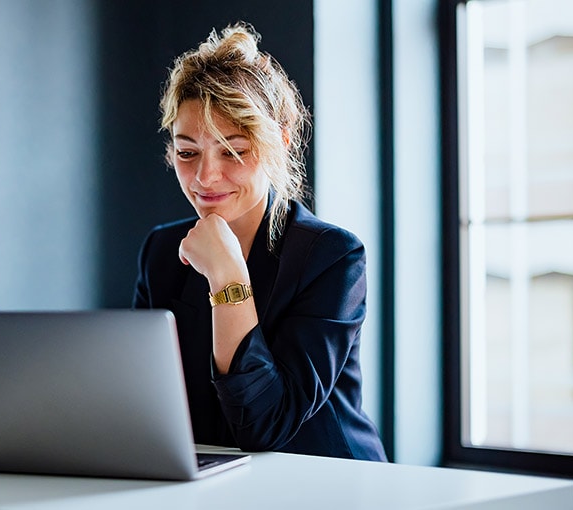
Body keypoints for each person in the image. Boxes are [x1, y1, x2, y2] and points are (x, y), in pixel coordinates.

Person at [132, 22, 387, 461]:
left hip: (329, 484)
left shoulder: (333, 257)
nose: (205, 178)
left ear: (280, 145)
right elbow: (141, 401)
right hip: (211, 484)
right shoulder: (161, 252)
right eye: (187, 152)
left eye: (232, 151)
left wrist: (227, 275)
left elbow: (266, 425)